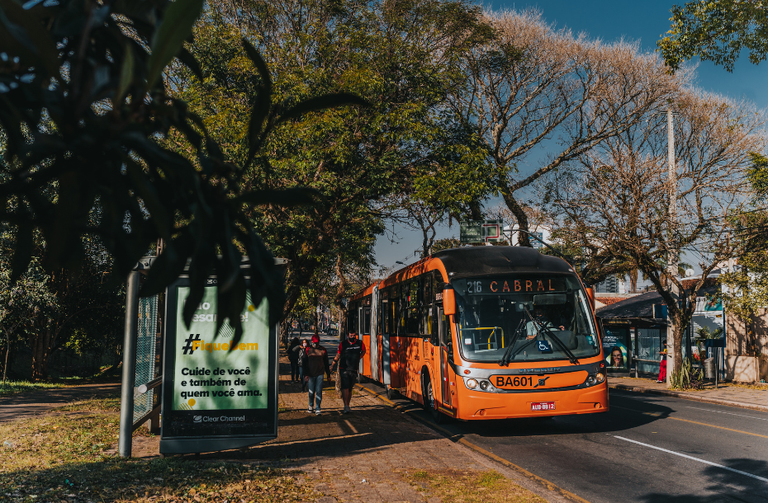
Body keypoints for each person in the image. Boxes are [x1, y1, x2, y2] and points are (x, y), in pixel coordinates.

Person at [331, 331, 366, 414]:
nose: (352, 337)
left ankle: (348, 405)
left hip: (353, 369)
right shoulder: (343, 344)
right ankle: (345, 405)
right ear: (347, 336)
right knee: (345, 386)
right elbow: (338, 354)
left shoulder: (360, 343)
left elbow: (364, 351)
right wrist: (333, 364)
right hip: (344, 368)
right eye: (351, 335)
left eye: (354, 335)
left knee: (350, 387)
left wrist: (359, 358)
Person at [303, 334, 331, 415]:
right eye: (314, 342)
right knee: (311, 392)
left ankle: (318, 407)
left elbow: (326, 363)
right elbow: (304, 363)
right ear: (312, 342)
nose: (315, 344)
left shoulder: (323, 350)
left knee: (319, 391)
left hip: (320, 374)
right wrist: (305, 374)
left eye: (317, 342)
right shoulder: (308, 350)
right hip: (310, 374)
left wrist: (328, 375)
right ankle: (310, 405)